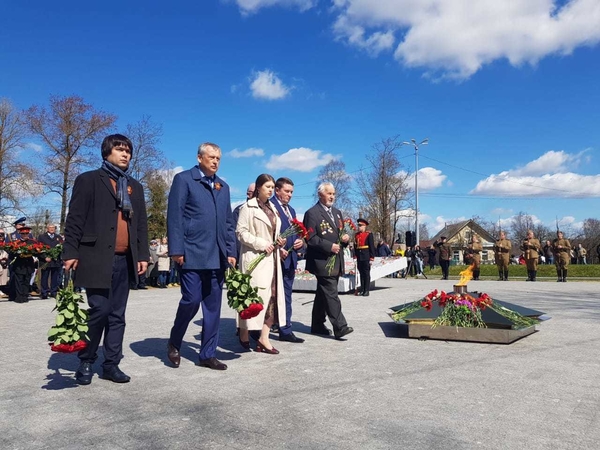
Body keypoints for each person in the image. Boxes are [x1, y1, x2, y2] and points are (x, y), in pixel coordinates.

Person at [63, 134, 149, 385]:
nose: (125, 155)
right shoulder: (88, 180)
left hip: (125, 259)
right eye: (120, 150)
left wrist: (142, 254)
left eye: (128, 151)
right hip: (96, 257)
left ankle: (111, 364)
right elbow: (75, 219)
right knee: (99, 309)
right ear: (106, 152)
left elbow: (140, 224)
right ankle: (86, 360)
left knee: (118, 314)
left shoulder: (135, 186)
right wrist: (70, 252)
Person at [166, 142, 236, 371]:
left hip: (217, 256)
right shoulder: (184, 180)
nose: (215, 161)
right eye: (211, 157)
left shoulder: (222, 186)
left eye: (218, 158)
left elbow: (228, 223)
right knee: (191, 300)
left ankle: (207, 354)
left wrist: (231, 251)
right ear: (199, 157)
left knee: (213, 307)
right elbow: (175, 216)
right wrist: (177, 249)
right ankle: (175, 341)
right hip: (192, 253)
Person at [237, 174, 287, 353]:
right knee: (253, 299)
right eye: (268, 187)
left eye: (273, 187)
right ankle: (244, 331)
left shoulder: (273, 208)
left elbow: (273, 232)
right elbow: (241, 232)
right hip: (255, 259)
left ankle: (264, 338)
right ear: (258, 188)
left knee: (273, 298)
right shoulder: (247, 208)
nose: (271, 190)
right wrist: (261, 243)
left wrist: (278, 241)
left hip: (272, 260)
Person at [303, 182, 353, 340]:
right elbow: (310, 238)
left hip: (336, 260)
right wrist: (329, 246)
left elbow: (340, 234)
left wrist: (345, 239)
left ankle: (317, 324)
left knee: (323, 294)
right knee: (331, 293)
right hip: (321, 261)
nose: (332, 196)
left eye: (333, 194)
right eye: (329, 193)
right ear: (320, 194)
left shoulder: (337, 213)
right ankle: (340, 326)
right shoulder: (312, 213)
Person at [270, 176, 305, 343]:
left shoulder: (290, 210)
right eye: (287, 191)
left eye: (292, 192)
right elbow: (266, 233)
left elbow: (296, 231)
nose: (290, 195)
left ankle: (285, 329)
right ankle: (258, 329)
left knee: (287, 296)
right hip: (273, 259)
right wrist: (279, 249)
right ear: (277, 190)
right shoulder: (269, 206)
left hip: (290, 259)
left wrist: (300, 242)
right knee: (270, 296)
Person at [7, 226, 36, 303]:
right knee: (19, 282)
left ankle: (25, 296)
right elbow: (11, 254)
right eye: (23, 233)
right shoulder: (16, 243)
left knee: (27, 281)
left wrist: (45, 257)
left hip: (29, 265)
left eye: (26, 233)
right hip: (19, 265)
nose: (25, 235)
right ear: (20, 234)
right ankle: (19, 297)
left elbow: (38, 252)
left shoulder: (32, 242)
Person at [37, 224, 64, 299]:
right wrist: (44, 257)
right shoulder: (41, 237)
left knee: (55, 277)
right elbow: (38, 248)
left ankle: (53, 292)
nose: (52, 229)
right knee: (44, 277)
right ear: (47, 229)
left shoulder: (58, 237)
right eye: (50, 228)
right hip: (45, 261)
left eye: (53, 228)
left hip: (55, 261)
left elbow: (62, 247)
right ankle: (44, 292)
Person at [232, 183, 256, 268]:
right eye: (254, 192)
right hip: (244, 254)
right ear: (248, 194)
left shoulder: (267, 211)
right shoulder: (240, 210)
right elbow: (235, 234)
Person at [353, 218, 375, 296]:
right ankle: (362, 289)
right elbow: (355, 246)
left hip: (366, 256)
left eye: (360, 225)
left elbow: (371, 246)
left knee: (366, 273)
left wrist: (372, 257)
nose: (359, 227)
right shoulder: (356, 235)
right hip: (359, 256)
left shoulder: (369, 234)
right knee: (361, 273)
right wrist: (355, 255)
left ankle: (366, 290)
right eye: (358, 225)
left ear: (364, 226)